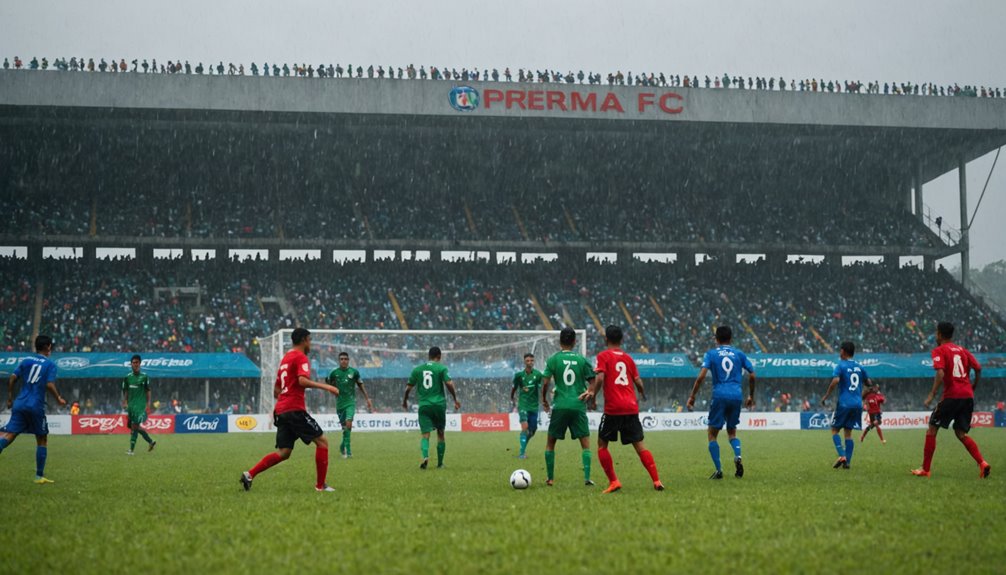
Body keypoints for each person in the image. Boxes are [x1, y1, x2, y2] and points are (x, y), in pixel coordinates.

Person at [241, 328, 340, 492]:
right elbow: (302, 380)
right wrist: (326, 387)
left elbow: (276, 390)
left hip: (282, 409)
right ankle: (320, 486)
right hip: (294, 409)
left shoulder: (286, 359)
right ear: (303, 340)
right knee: (322, 442)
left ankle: (250, 474)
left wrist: (283, 402)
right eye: (309, 340)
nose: (310, 343)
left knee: (284, 452)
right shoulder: (301, 357)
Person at [580, 325, 664, 493]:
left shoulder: (603, 356)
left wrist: (593, 396)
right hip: (631, 407)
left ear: (606, 339)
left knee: (602, 445)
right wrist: (641, 392)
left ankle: (614, 481)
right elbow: (639, 381)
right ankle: (656, 480)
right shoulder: (628, 358)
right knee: (640, 446)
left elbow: (600, 377)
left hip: (613, 408)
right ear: (622, 340)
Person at [912, 322, 990, 479]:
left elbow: (940, 373)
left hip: (952, 395)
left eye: (936, 333)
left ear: (940, 334)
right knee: (961, 433)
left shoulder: (939, 350)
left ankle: (925, 469)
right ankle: (982, 463)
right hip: (967, 396)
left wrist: (931, 395)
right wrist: (973, 385)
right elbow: (978, 368)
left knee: (932, 427)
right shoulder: (963, 350)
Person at [687, 326, 756, 479]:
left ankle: (719, 470)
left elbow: (701, 377)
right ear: (731, 339)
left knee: (712, 434)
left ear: (716, 339)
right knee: (732, 432)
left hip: (719, 395)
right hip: (736, 395)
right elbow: (752, 375)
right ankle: (737, 455)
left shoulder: (711, 354)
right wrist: (750, 396)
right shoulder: (739, 354)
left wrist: (692, 396)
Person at [0, 335, 66, 484]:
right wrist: (59, 398)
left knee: (10, 435)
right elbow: (49, 385)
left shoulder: (26, 361)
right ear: (48, 347)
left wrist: (10, 397)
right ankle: (39, 476)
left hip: (19, 403)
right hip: (35, 405)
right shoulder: (50, 365)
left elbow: (12, 378)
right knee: (42, 438)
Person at [541, 327, 595, 487]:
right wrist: (590, 392)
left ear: (560, 341)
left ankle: (550, 478)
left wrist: (544, 399)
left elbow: (545, 383)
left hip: (560, 405)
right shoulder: (581, 359)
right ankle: (587, 478)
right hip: (578, 404)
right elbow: (593, 380)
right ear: (574, 342)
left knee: (551, 443)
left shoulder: (553, 359)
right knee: (585, 444)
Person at [403, 346, 459, 469]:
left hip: (424, 405)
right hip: (439, 405)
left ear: (428, 356)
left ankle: (425, 457)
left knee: (425, 434)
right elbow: (449, 383)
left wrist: (405, 400)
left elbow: (408, 388)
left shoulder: (417, 369)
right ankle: (440, 464)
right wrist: (455, 398)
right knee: (440, 433)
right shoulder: (441, 368)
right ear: (439, 356)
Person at [820, 342, 869, 469]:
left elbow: (835, 381)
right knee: (848, 433)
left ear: (843, 351)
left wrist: (826, 396)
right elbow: (869, 383)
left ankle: (842, 455)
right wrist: (860, 393)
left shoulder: (840, 366)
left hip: (844, 403)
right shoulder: (860, 367)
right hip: (857, 404)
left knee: (835, 430)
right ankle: (847, 462)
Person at [326, 351, 373, 459]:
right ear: (339, 361)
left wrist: (367, 399)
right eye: (341, 359)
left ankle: (349, 452)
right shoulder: (334, 373)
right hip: (339, 404)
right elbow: (328, 383)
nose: (343, 361)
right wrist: (332, 389)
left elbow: (361, 385)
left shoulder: (354, 372)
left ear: (348, 360)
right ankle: (342, 446)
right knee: (345, 428)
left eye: (345, 359)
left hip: (350, 402)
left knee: (349, 423)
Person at [510, 353, 543, 459]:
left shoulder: (538, 375)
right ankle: (521, 453)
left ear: (534, 361)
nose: (530, 362)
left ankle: (523, 447)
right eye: (528, 360)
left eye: (531, 360)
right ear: (524, 362)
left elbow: (542, 389)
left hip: (534, 406)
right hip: (523, 405)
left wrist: (545, 401)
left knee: (532, 431)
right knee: (525, 427)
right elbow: (514, 388)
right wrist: (512, 398)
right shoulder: (519, 375)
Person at [122, 354, 156, 455]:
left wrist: (148, 404)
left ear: (140, 364)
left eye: (137, 362)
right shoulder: (127, 378)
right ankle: (150, 441)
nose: (135, 364)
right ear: (131, 364)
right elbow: (126, 391)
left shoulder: (144, 377)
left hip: (140, 406)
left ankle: (131, 450)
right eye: (134, 362)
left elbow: (148, 390)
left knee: (134, 426)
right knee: (131, 426)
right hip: (131, 406)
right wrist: (125, 402)